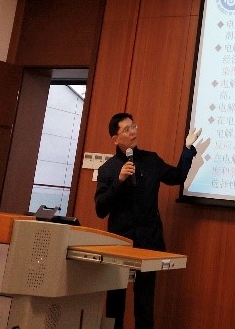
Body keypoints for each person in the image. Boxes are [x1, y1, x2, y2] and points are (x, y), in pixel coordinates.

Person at [95, 112, 205, 329]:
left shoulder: (151, 160)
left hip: (148, 243)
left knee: (144, 305)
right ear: (115, 139)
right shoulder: (107, 170)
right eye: (126, 129)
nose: (133, 132)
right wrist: (119, 181)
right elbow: (100, 209)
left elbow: (176, 177)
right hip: (120, 244)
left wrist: (188, 150)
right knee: (115, 303)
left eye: (133, 126)